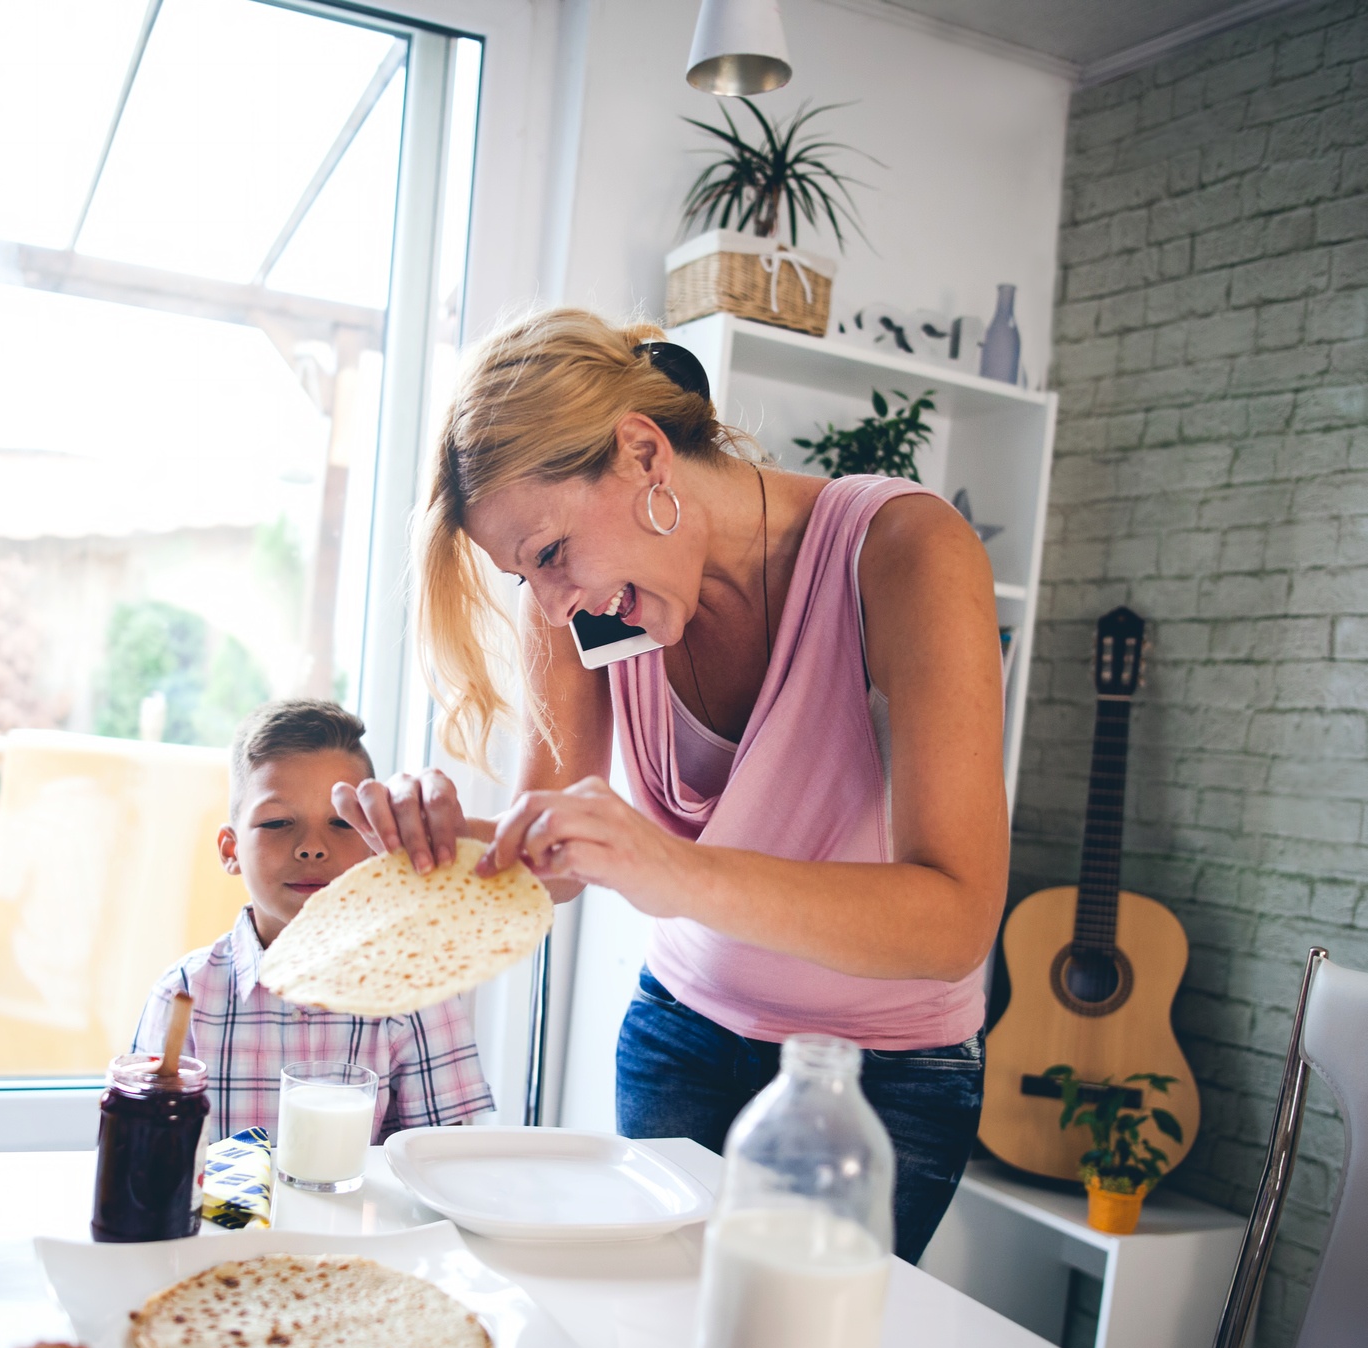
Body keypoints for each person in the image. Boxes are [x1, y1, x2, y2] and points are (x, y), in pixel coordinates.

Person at [336, 311, 1008, 1262]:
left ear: (641, 452)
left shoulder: (901, 554)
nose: (551, 602)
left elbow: (955, 924)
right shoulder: (588, 610)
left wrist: (671, 871)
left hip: (875, 1086)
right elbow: (555, 863)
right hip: (679, 1037)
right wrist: (449, 842)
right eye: (524, 577)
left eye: (549, 553)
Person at [133, 699, 492, 1142]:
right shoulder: (184, 996)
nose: (311, 848)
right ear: (231, 851)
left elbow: (441, 1167)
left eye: (342, 824)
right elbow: (144, 1155)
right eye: (278, 822)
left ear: (379, 842)